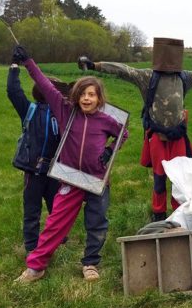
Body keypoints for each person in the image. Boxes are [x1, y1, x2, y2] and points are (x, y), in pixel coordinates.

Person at [79, 38, 192, 221]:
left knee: (179, 178)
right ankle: (159, 214)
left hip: (178, 136)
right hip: (156, 136)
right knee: (159, 177)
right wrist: (95, 65)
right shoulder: (148, 77)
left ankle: (179, 213)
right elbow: (123, 70)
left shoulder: (184, 77)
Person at [14, 45, 128, 283]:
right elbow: (45, 84)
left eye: (92, 95)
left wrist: (108, 151)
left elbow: (123, 135)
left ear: (99, 99)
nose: (87, 98)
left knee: (96, 222)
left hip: (97, 180)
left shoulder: (107, 120)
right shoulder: (66, 112)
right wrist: (28, 62)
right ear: (76, 96)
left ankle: (90, 263)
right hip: (70, 177)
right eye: (83, 94)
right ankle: (36, 266)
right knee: (56, 222)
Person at [7, 62, 70, 253]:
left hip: (55, 171)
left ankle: (60, 236)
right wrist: (14, 69)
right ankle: (31, 246)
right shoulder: (30, 110)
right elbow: (13, 91)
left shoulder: (64, 113)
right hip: (33, 171)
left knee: (57, 208)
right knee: (32, 210)